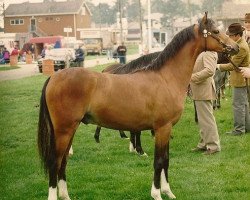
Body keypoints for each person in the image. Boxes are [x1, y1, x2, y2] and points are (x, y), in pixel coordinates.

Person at [217, 23, 250, 136]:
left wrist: (218, 66)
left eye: (231, 36)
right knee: (243, 104)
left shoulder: (241, 47)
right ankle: (246, 127)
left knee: (238, 105)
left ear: (237, 35)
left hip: (240, 80)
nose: (229, 38)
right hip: (241, 79)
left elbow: (233, 65)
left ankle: (239, 129)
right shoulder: (239, 44)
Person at [190, 51, 221, 155]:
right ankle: (204, 143)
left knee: (207, 119)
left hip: (203, 90)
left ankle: (213, 146)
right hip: (199, 90)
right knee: (203, 119)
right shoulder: (204, 52)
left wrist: (191, 77)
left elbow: (209, 71)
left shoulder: (209, 53)